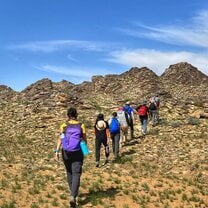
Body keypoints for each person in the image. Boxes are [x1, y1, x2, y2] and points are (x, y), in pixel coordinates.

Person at [55, 107, 87, 207]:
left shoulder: (64, 125)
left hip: (66, 152)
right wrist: (84, 150)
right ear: (76, 114)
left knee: (69, 171)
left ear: (68, 115)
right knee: (76, 173)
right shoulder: (81, 125)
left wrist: (57, 151)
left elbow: (61, 138)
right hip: (77, 152)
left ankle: (72, 193)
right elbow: (84, 140)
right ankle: (73, 195)